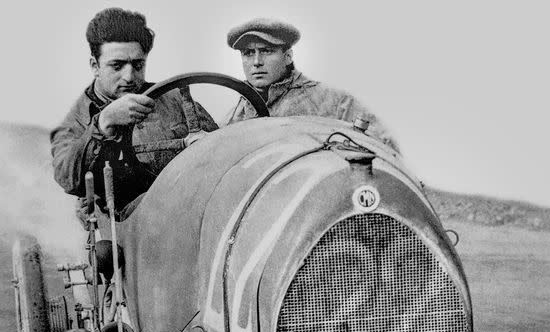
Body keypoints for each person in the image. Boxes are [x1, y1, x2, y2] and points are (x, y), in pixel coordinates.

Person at [51, 7, 218, 219]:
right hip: (124, 233)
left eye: (138, 65)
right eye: (117, 66)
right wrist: (104, 122)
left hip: (188, 217)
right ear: (95, 66)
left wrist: (210, 144)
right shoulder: (78, 118)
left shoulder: (174, 99)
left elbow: (222, 152)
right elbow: (67, 178)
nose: (129, 77)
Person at [224, 18, 399, 151]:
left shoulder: (335, 102)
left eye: (266, 51)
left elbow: (386, 150)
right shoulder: (236, 114)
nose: (256, 62)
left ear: (288, 56)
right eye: (248, 53)